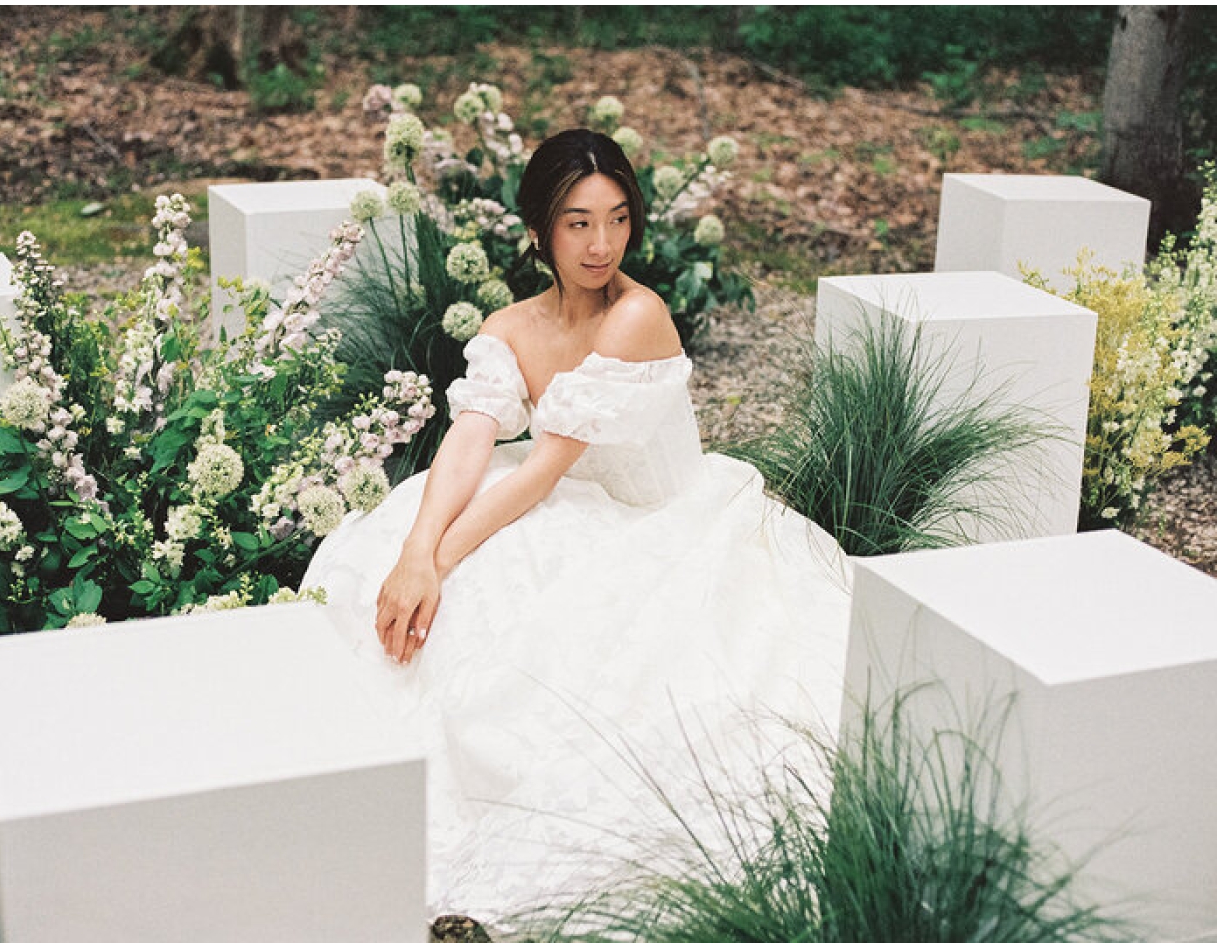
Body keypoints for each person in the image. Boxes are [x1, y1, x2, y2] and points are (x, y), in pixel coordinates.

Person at [304, 128, 852, 936]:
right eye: (578, 223)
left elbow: (541, 472)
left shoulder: (637, 316)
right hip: (568, 500)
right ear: (539, 231)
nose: (603, 244)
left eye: (619, 218)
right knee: (385, 556)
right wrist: (414, 551)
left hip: (658, 519)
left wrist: (439, 564)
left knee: (522, 622)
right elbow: (470, 440)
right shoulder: (512, 323)